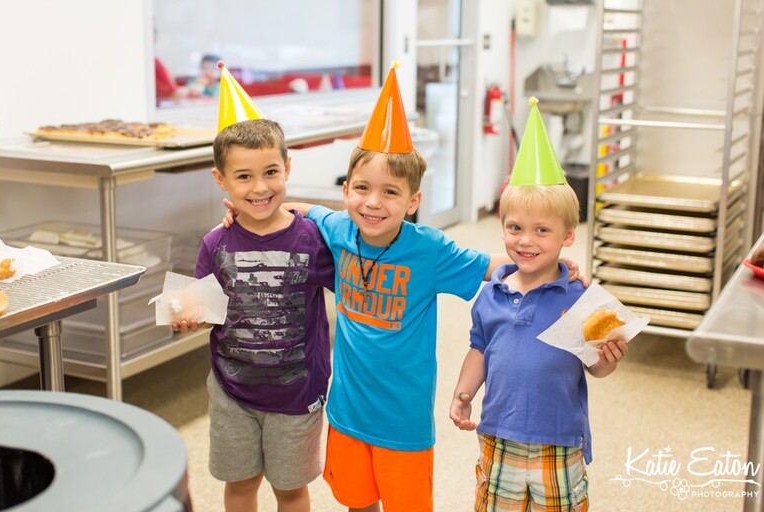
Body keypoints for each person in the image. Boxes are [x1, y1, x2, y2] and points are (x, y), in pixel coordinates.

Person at [222, 65, 584, 512]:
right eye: (361, 188)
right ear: (347, 190)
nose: (373, 202)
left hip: (403, 421)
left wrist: (549, 259)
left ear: (413, 201)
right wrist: (242, 214)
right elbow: (304, 211)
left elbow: (486, 264)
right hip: (347, 412)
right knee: (356, 502)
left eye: (391, 192)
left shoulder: (428, 250)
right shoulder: (335, 228)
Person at [449, 99, 628, 512]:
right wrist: (463, 394)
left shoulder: (580, 297)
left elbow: (595, 367)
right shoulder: (491, 293)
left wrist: (609, 359)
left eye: (541, 230)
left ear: (568, 235)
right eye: (515, 228)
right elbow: (479, 349)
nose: (525, 240)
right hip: (498, 435)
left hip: (560, 440)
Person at [175, 116, 335, 512]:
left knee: (291, 490)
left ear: (288, 169)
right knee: (241, 485)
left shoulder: (314, 239)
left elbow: (357, 286)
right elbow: (206, 311)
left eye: (270, 172)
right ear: (221, 180)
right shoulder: (215, 242)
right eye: (243, 176)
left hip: (297, 395)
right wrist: (186, 319)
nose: (260, 187)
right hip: (233, 393)